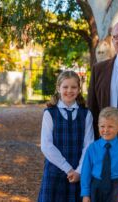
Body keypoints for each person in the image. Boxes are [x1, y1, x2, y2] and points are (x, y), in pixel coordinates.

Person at [38, 71, 94, 202]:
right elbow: (46, 146)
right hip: (55, 171)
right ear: (58, 88)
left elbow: (89, 145)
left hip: (79, 172)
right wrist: (68, 169)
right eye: (65, 87)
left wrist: (79, 171)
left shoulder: (86, 114)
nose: (69, 91)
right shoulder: (49, 113)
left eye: (74, 87)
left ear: (79, 89)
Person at [80, 107, 118, 202]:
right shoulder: (92, 148)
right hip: (95, 188)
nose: (105, 130)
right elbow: (86, 172)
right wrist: (85, 194)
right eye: (102, 126)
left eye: (110, 126)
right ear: (98, 126)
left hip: (116, 189)